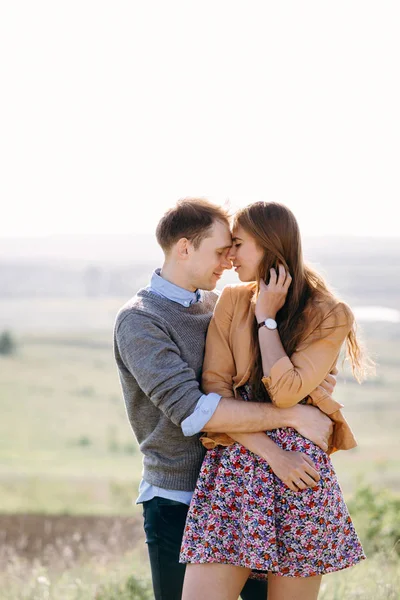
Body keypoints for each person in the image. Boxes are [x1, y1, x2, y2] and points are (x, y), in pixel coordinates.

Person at [114, 198, 338, 600]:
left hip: (245, 487)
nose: (228, 259)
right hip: (179, 495)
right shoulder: (141, 320)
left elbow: (263, 380)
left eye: (234, 248)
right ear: (185, 248)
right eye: (220, 250)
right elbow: (197, 412)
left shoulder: (218, 304)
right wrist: (292, 418)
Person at [180, 202, 367, 600]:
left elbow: (285, 391)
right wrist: (272, 451)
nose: (229, 257)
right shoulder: (231, 300)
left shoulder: (330, 313)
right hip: (234, 471)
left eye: (238, 245)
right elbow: (215, 395)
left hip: (300, 477)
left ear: (269, 246)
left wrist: (266, 319)